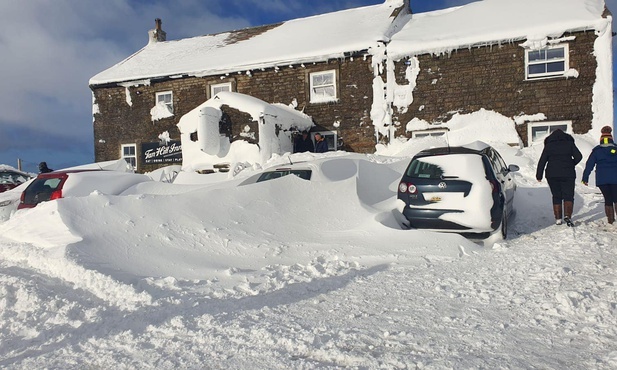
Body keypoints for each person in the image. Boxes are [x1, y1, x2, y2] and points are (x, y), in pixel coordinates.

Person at [536, 129, 583, 226]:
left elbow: (542, 161)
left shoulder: (548, 146)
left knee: (556, 195)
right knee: (568, 195)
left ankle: (558, 218)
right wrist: (571, 164)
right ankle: (567, 216)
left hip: (552, 174)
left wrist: (539, 175)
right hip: (568, 173)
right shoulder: (569, 144)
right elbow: (579, 156)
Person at [582, 125, 617, 224]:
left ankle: (610, 220)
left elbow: (589, 165)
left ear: (601, 139)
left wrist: (585, 178)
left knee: (608, 198)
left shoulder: (596, 151)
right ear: (611, 138)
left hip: (602, 179)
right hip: (615, 178)